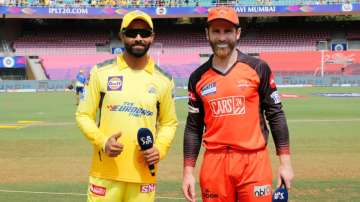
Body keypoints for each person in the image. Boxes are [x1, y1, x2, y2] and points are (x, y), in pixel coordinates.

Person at [182, 7, 294, 202]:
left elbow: (275, 114)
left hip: (254, 162)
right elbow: (193, 127)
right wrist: (188, 172)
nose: (222, 37)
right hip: (214, 164)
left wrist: (285, 163)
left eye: (227, 31)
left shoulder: (258, 68)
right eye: (216, 31)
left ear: (238, 33)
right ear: (207, 34)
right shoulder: (197, 77)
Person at [76, 10, 178, 202]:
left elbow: (169, 123)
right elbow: (83, 115)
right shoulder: (100, 72)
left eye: (144, 33)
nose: (138, 38)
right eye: (131, 33)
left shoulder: (164, 80)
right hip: (105, 174)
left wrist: (160, 148)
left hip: (143, 176)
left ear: (152, 37)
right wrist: (103, 141)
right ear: (122, 36)